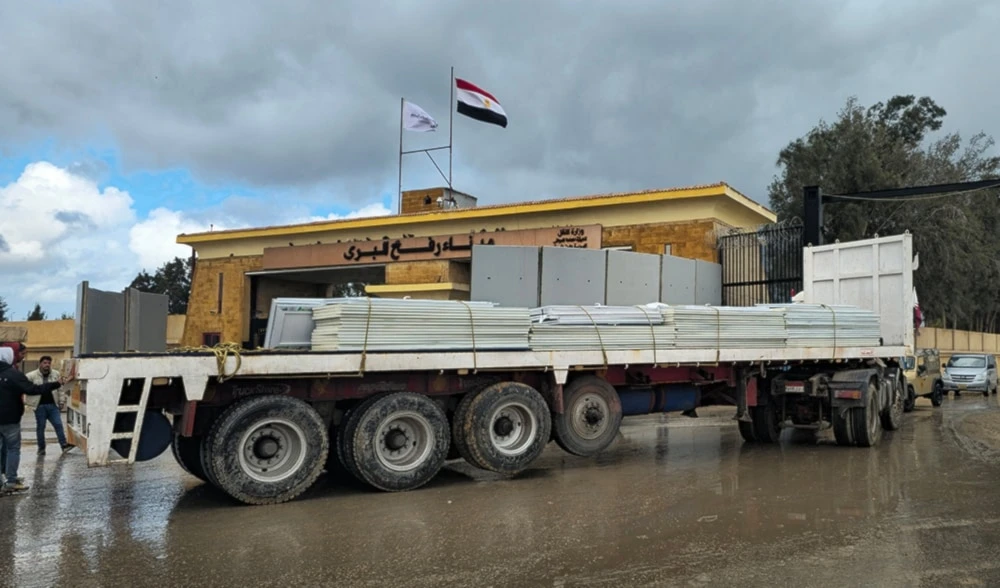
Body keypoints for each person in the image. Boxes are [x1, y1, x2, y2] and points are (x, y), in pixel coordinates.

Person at [0, 344, 64, 492]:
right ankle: (11, 481)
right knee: (13, 449)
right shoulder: (13, 374)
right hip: (10, 419)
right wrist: (56, 384)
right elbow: (32, 389)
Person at [26, 355, 74, 455]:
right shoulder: (31, 376)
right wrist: (30, 403)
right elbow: (28, 390)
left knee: (58, 425)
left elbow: (60, 389)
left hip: (52, 405)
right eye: (45, 363)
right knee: (41, 427)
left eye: (48, 363)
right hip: (39, 406)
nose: (47, 365)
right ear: (40, 364)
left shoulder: (55, 374)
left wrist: (61, 401)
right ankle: (41, 448)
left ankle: (64, 445)